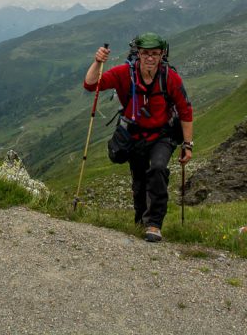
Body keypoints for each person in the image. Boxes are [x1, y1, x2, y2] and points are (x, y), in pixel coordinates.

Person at [83, 32, 193, 242]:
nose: (150, 57)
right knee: (140, 181)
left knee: (158, 168)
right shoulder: (124, 73)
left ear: (162, 55)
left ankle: (154, 224)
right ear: (138, 54)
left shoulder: (170, 77)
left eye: (155, 53)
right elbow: (90, 84)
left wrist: (188, 144)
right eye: (145, 53)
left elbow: (185, 110)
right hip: (135, 135)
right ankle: (139, 222)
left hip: (163, 134)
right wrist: (98, 61)